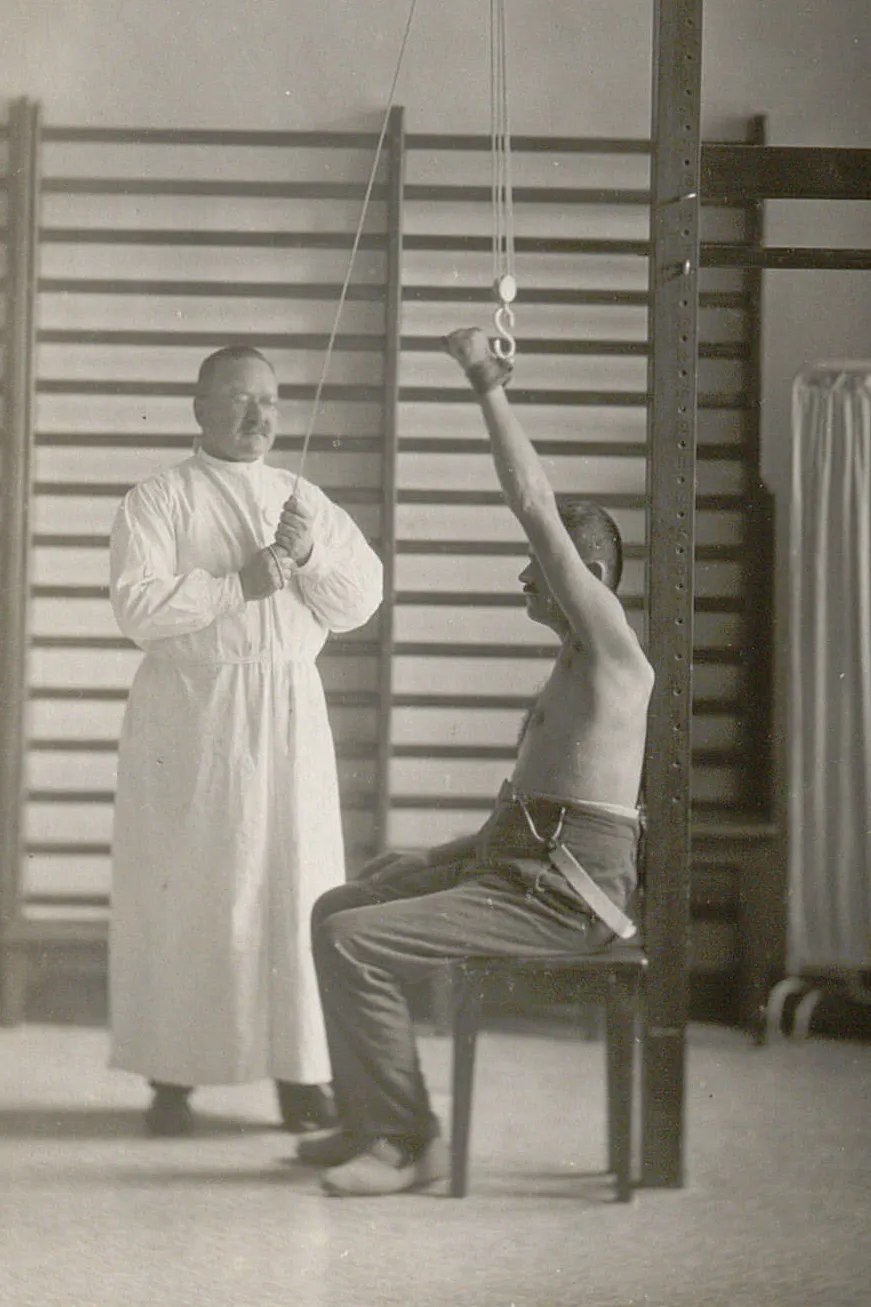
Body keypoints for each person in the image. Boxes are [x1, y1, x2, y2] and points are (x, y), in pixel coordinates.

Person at [297, 326, 655, 1196]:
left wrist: (482, 380)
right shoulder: (574, 659)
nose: (521, 581)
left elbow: (535, 505)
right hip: (519, 859)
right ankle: (370, 1112)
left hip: (564, 894)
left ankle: (408, 1145)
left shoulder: (612, 648)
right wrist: (452, 854)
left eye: (539, 571)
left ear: (590, 573)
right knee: (342, 901)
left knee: (353, 939)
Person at [108, 345, 383, 1136]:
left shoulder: (302, 500)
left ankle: (301, 1074)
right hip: (193, 713)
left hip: (289, 708)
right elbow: (138, 609)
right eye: (238, 400)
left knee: (294, 883)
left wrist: (306, 555)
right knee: (189, 891)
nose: (258, 417)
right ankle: (172, 1074)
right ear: (200, 409)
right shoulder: (157, 499)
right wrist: (240, 584)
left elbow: (359, 597)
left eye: (269, 401)